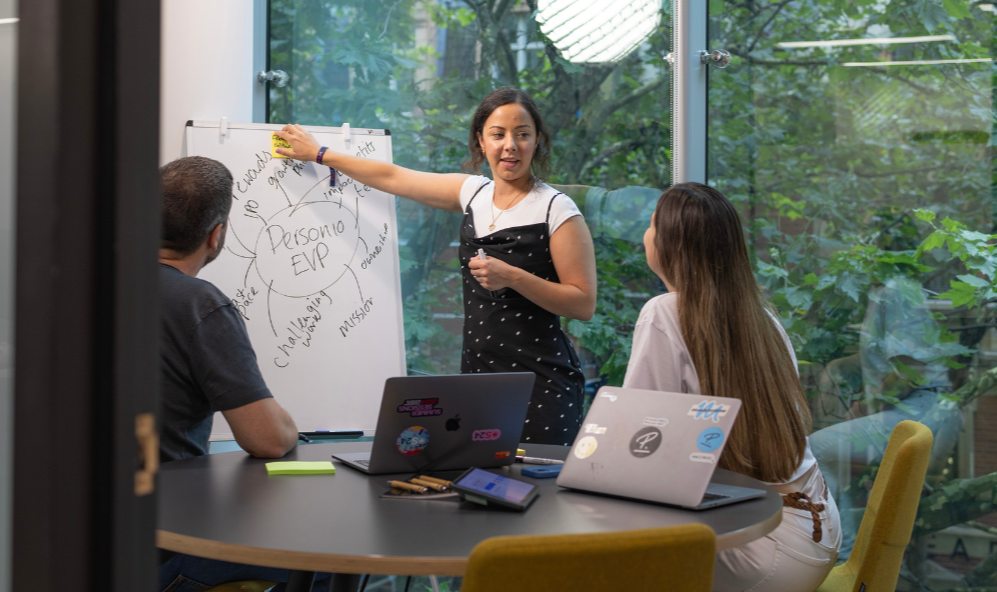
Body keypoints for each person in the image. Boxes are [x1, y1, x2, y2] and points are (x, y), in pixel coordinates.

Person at [275, 88, 597, 445]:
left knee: (542, 492)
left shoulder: (557, 209)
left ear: (537, 141)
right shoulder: (473, 193)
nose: (510, 145)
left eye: (523, 134)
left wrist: (513, 276)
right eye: (498, 134)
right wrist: (320, 154)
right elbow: (393, 177)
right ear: (480, 140)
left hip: (542, 382)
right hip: (480, 375)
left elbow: (582, 303)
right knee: (482, 488)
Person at [624, 182, 841, 592]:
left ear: (668, 243)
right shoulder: (763, 320)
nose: (645, 234)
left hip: (764, 549)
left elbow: (635, 446)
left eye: (652, 224)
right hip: (816, 527)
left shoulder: (663, 312)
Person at [156, 156, 329, 592]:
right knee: (325, 560)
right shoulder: (199, 305)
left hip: (77, 541)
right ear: (217, 235)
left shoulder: (91, 282)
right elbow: (267, 439)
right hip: (162, 545)